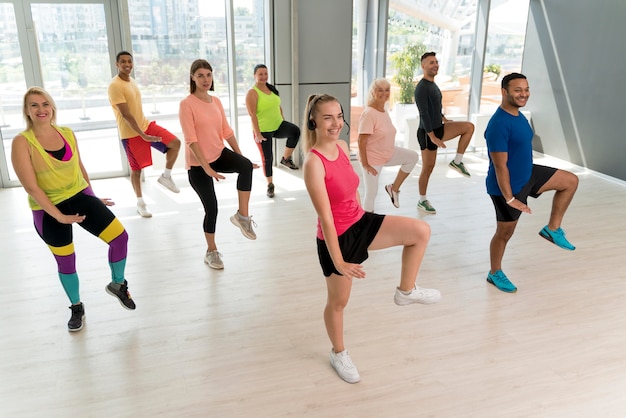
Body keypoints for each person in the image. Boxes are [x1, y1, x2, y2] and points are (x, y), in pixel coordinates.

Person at [302, 93, 440, 384]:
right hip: (336, 238)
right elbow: (326, 217)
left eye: (339, 116)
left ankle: (406, 291)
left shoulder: (340, 147)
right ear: (314, 120)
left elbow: (350, 189)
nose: (336, 123)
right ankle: (338, 352)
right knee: (339, 302)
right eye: (328, 117)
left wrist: (367, 219)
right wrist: (338, 260)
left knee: (420, 232)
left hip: (360, 220)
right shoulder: (313, 163)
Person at [11, 87, 135, 332]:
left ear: (53, 107)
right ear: (27, 111)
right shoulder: (22, 142)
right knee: (67, 261)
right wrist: (59, 216)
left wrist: (94, 197)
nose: (41, 109)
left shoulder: (67, 133)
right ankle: (77, 306)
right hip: (48, 209)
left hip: (79, 196)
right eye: (34, 105)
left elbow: (80, 169)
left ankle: (118, 284)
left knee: (120, 238)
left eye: (45, 104)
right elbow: (31, 188)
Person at [485, 73, 578, 293]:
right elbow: (500, 167)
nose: (524, 94)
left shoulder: (519, 116)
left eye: (526, 89)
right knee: (504, 234)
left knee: (570, 181)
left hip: (528, 174)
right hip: (507, 186)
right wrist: (510, 198)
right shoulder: (498, 124)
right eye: (518, 90)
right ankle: (494, 272)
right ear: (504, 92)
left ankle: (552, 229)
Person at [179, 59, 258, 270]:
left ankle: (242, 216)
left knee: (246, 167)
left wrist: (242, 158)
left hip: (218, 153)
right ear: (192, 78)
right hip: (198, 165)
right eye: (200, 76)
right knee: (211, 208)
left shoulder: (216, 101)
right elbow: (191, 139)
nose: (205, 79)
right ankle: (211, 251)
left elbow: (226, 131)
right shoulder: (187, 104)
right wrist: (206, 167)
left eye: (208, 75)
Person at [108, 50, 182, 218]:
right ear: (117, 64)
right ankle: (141, 203)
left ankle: (166, 176)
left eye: (129, 61)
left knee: (175, 143)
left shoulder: (131, 81)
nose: (127, 64)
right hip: (131, 133)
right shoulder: (115, 86)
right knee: (136, 170)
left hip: (146, 125)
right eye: (123, 62)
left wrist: (145, 131)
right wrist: (142, 135)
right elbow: (126, 115)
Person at [414, 51, 475, 214]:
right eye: (431, 62)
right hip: (427, 134)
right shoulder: (421, 88)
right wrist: (433, 137)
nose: (435, 65)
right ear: (423, 66)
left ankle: (457, 161)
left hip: (439, 127)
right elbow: (424, 113)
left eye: (436, 62)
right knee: (428, 168)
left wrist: (444, 119)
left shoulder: (432, 84)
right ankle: (422, 201)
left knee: (469, 127)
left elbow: (435, 108)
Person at [358, 78, 419, 211]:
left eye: (387, 90)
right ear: (373, 92)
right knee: (371, 193)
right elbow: (361, 140)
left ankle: (393, 188)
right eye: (380, 90)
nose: (384, 93)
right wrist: (365, 164)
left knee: (412, 157)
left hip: (388, 153)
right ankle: (367, 225)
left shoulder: (384, 110)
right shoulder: (369, 113)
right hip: (373, 159)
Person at [245, 64, 300, 198]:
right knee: (267, 158)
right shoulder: (252, 93)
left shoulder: (272, 89)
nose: (263, 76)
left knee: (295, 131)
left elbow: (278, 104)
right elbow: (252, 115)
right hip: (263, 130)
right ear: (255, 76)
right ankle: (270, 185)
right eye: (260, 74)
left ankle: (286, 159)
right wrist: (257, 133)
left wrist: (282, 117)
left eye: (265, 73)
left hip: (278, 125)